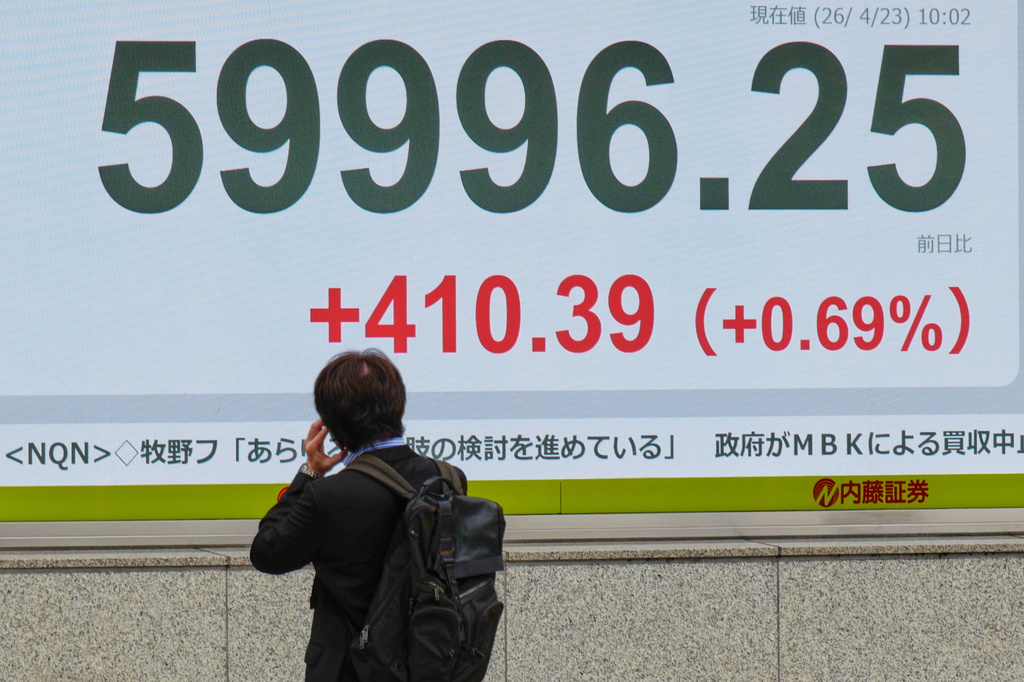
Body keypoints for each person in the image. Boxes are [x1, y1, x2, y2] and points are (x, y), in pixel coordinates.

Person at [250, 349, 467, 682]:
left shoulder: (328, 496)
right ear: (400, 408)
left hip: (350, 669)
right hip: (430, 663)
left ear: (332, 428)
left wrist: (310, 471)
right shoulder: (448, 479)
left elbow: (266, 552)